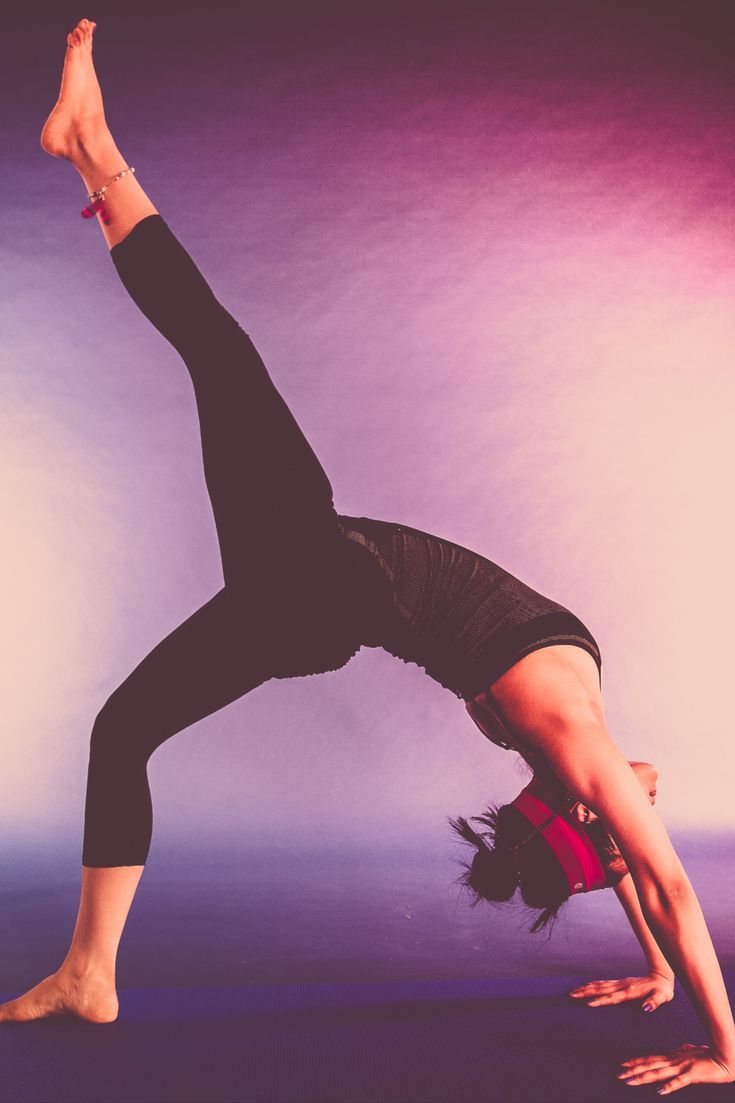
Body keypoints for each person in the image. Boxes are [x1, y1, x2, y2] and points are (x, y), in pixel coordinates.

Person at [1, 16, 732, 1095]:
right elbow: (635, 865)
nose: (641, 804)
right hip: (308, 598)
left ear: (576, 804)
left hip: (319, 575)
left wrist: (724, 1045)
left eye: (611, 825)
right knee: (124, 729)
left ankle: (96, 150)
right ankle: (90, 973)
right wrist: (658, 974)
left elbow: (662, 876)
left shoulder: (572, 735)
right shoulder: (568, 751)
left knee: (220, 352)